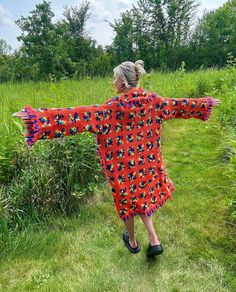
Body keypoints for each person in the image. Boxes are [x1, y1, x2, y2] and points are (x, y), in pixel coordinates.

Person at [12, 60, 221, 257]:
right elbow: (179, 105)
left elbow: (77, 116)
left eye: (115, 79)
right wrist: (205, 104)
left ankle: (132, 241)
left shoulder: (111, 109)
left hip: (122, 169)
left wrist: (35, 118)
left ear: (122, 81)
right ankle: (154, 240)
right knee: (143, 196)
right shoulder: (153, 102)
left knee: (127, 203)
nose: (113, 82)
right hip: (146, 163)